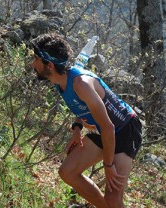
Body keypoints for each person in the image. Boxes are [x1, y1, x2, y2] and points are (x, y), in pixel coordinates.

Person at [30, 33, 142, 208]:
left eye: (36, 58)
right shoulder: (62, 82)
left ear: (49, 65)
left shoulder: (81, 83)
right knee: (68, 172)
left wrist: (108, 164)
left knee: (113, 198)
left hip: (125, 130)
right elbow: (83, 107)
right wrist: (77, 128)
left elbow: (109, 127)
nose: (32, 64)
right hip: (102, 130)